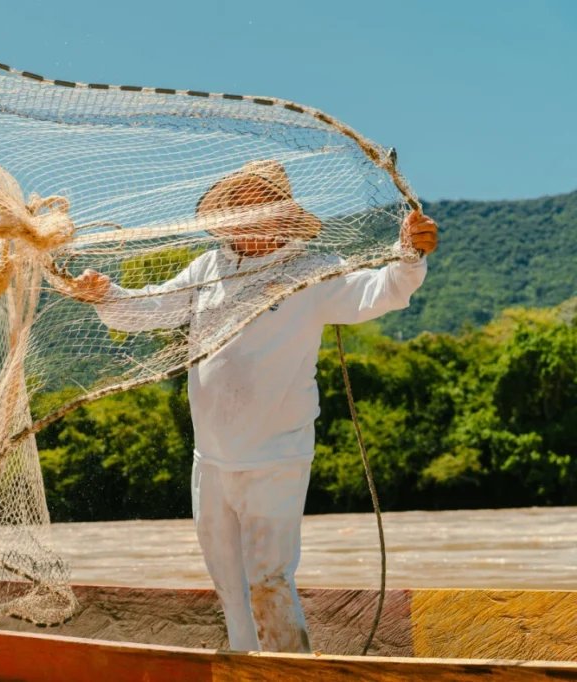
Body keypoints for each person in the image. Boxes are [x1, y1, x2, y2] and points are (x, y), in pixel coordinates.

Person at [70, 159, 438, 653]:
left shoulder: (310, 268)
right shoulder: (209, 267)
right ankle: (244, 666)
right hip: (212, 460)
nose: (247, 214)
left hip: (275, 459)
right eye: (238, 205)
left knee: (269, 578)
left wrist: (410, 254)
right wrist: (106, 294)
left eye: (259, 204)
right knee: (229, 587)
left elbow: (380, 291)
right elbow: (153, 307)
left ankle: (289, 670)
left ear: (284, 215)